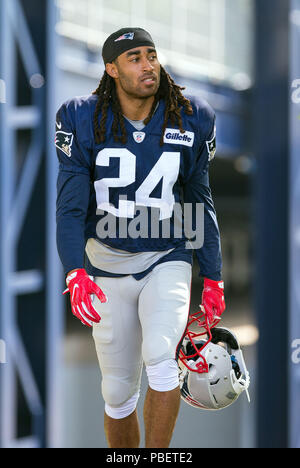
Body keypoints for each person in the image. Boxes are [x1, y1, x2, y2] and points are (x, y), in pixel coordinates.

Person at [55, 27, 225, 448]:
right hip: (105, 261)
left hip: (166, 255)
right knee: (116, 392)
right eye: (134, 58)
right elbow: (71, 206)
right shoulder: (80, 116)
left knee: (162, 359)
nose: (148, 64)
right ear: (111, 69)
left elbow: (199, 200)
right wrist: (75, 270)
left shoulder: (191, 116)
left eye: (151, 54)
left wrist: (213, 275)